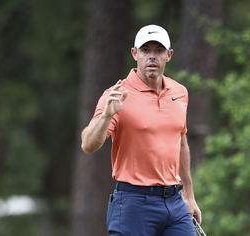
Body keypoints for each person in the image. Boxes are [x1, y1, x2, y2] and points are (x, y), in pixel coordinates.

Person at [81, 24, 202, 236]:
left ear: (169, 55)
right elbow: (88, 145)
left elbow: (180, 143)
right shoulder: (116, 94)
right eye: (146, 50)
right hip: (133, 204)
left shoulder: (179, 93)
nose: (152, 57)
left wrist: (189, 196)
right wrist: (107, 116)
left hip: (174, 203)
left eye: (159, 50)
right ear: (134, 54)